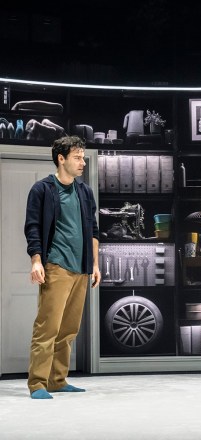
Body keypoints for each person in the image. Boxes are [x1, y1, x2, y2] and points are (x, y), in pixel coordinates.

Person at [24, 135, 101, 399]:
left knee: (69, 329)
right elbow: (32, 228)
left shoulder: (84, 192)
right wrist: (36, 260)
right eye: (77, 158)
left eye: (83, 158)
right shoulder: (42, 189)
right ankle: (38, 383)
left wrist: (95, 264)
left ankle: (57, 380)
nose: (82, 163)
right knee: (47, 327)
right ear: (61, 158)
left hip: (81, 269)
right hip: (56, 266)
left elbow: (93, 230)